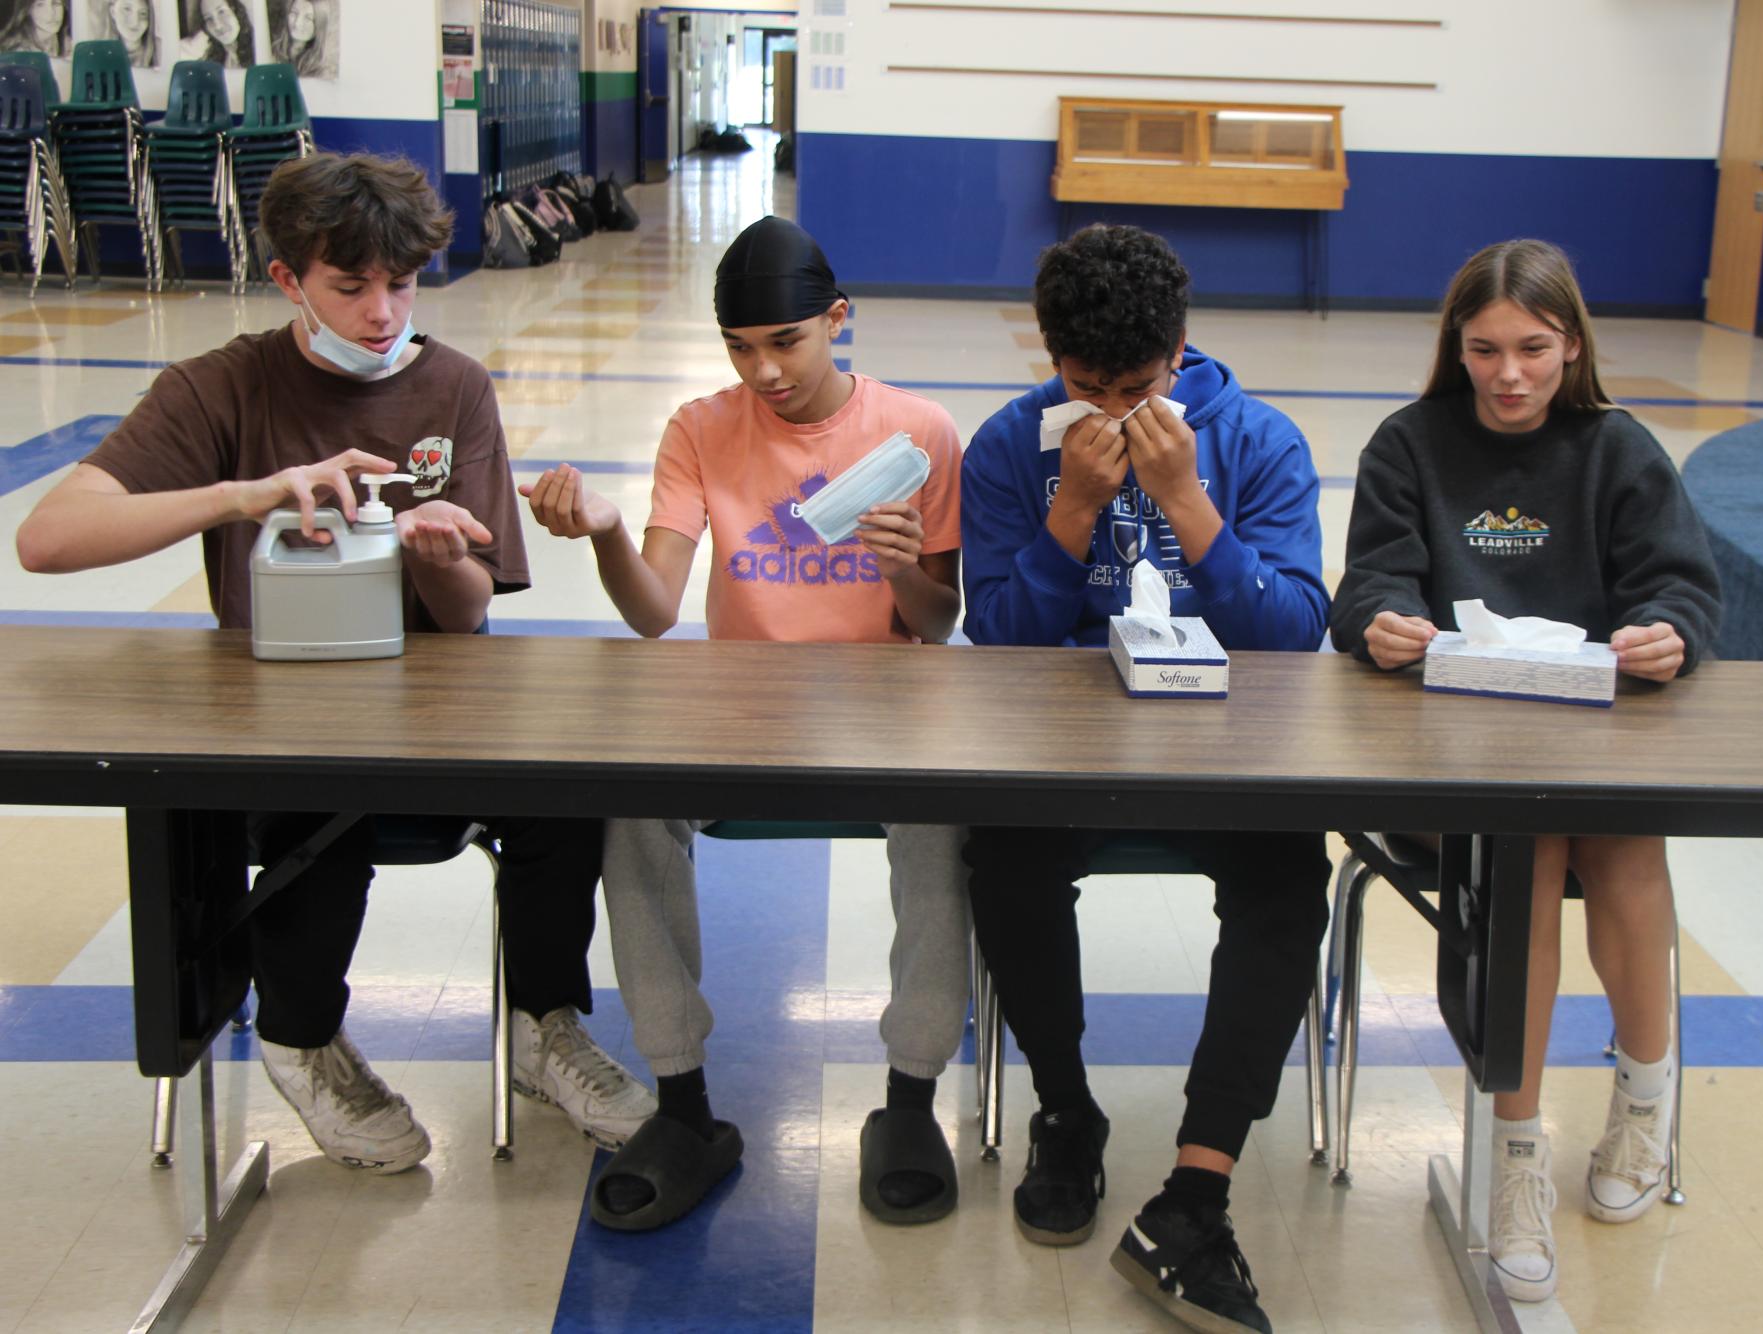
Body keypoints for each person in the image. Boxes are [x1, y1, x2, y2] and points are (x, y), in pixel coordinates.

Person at [15, 152, 655, 1176]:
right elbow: (48, 539)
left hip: (436, 700)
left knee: (563, 788)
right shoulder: (224, 384)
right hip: (287, 703)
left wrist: (440, 560)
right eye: (348, 286)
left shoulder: (453, 386)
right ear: (289, 281)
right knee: (321, 812)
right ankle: (301, 1034)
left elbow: (471, 616)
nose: (379, 311)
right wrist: (246, 493)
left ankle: (545, 1023)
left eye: (399, 284)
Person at [518, 215, 972, 1233]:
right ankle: (682, 1102)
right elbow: (655, 610)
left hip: (877, 704)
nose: (763, 371)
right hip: (737, 706)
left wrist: (902, 566)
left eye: (786, 342)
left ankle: (907, 1097)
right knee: (632, 813)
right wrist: (602, 536)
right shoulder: (699, 427)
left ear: (838, 319)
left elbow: (935, 629)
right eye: (740, 347)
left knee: (944, 824)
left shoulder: (919, 434)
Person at [1329, 237, 1723, 1303]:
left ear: (1573, 344)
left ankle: (1644, 1104)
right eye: (1486, 349)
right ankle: (1516, 1151)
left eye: (1534, 349)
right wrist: (1381, 624)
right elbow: (1364, 583)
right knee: (1530, 847)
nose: (1509, 374)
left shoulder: (1619, 450)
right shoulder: (1409, 445)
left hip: (1592, 746)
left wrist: (1665, 633)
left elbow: (1683, 589)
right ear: (1456, 349)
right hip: (1456, 761)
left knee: (1624, 837)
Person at [958, 223, 1331, 1334]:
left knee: (1285, 881)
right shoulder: (1006, 446)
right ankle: (1067, 1115)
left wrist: (1191, 506)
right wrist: (1071, 510)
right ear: (1050, 358)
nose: (1116, 411)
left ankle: (1197, 1187)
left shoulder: (1258, 439)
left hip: (1223, 744)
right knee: (1006, 860)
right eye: (1086, 386)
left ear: (1181, 348)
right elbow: (1005, 638)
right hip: (1069, 743)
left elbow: (1296, 634)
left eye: (1139, 384)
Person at [269, 0, 332, 78]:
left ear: (319, 26)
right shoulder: (269, 49)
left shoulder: (320, 71)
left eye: (308, 18)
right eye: (294, 13)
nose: (297, 23)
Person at [178, 0, 248, 67]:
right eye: (208, 18)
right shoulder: (212, 56)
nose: (218, 26)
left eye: (221, 12)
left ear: (235, 10)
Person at [91, 0, 154, 67]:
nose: (135, 22)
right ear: (113, 12)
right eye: (127, 9)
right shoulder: (97, 54)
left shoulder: (157, 54)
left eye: (143, 13)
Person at [3, 0, 70, 57]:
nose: (51, 12)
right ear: (28, 10)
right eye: (40, 5)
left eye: (56, 3)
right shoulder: (16, 52)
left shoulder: (69, 44)